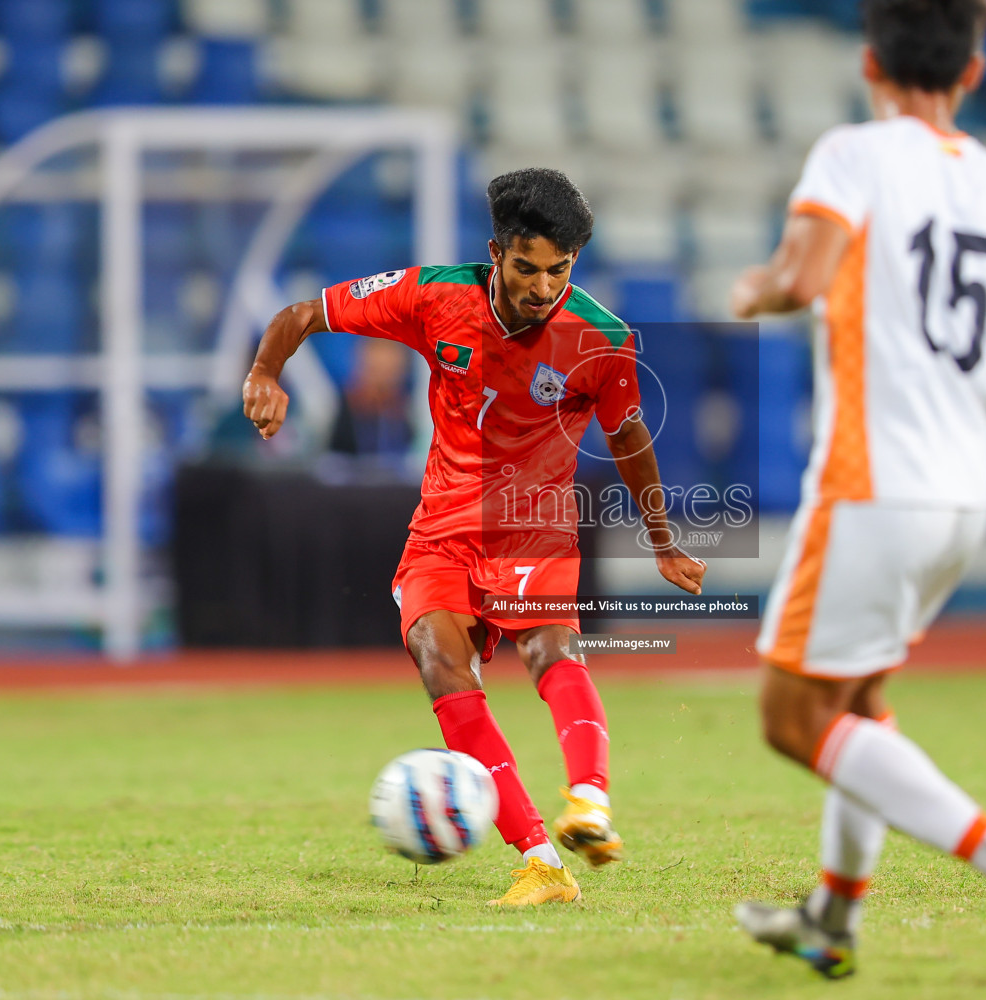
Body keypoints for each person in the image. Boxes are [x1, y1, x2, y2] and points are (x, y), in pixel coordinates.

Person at [726, 0, 986, 987]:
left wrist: (757, 286)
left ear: (869, 64)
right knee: (856, 699)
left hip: (871, 483)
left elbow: (803, 280)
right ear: (974, 71)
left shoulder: (854, 155)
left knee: (792, 718)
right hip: (963, 494)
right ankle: (832, 917)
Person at [242, 169, 707, 906]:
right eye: (527, 268)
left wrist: (662, 538)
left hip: (536, 522)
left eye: (560, 270)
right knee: (436, 657)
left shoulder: (602, 339)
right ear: (497, 253)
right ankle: (541, 862)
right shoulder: (435, 296)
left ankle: (589, 802)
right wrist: (266, 372)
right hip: (443, 526)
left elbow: (628, 436)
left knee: (549, 648)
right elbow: (303, 313)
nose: (543, 286)